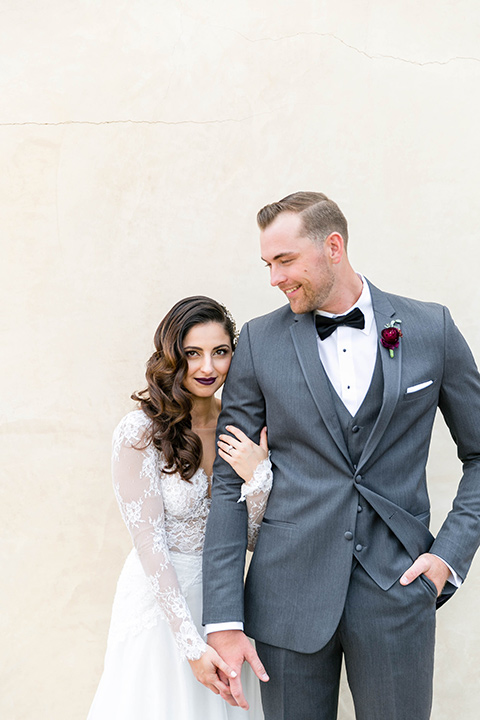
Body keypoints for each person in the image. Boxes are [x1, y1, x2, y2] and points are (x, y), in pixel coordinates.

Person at [202, 192, 480, 720]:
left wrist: (447, 559)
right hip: (285, 599)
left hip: (398, 591)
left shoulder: (431, 329)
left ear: (334, 246)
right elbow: (226, 485)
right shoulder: (260, 342)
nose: (274, 278)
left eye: (285, 261)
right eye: (267, 263)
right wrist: (224, 620)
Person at [87, 296, 271, 720]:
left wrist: (258, 480)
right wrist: (190, 645)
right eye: (193, 353)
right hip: (161, 608)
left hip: (225, 606)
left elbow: (253, 540)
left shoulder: (242, 430)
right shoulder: (140, 432)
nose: (208, 367)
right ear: (173, 356)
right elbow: (150, 548)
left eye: (220, 352)